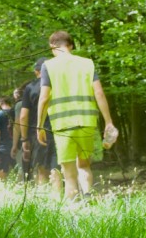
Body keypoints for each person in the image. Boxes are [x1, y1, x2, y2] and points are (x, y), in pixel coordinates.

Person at [37, 30, 116, 200]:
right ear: (71, 45)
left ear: (52, 47)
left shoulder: (48, 66)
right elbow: (99, 93)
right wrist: (108, 122)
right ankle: (87, 195)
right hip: (87, 122)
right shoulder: (87, 63)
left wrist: (39, 125)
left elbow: (43, 98)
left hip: (62, 124)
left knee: (69, 171)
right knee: (84, 165)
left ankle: (73, 205)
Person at [19, 58, 61, 190]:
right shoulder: (58, 85)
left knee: (41, 168)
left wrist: (24, 138)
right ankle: (58, 198)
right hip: (60, 128)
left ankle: (43, 199)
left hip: (38, 132)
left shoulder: (30, 88)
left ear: (36, 71)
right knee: (57, 167)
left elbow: (23, 116)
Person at [0, 96, 14, 181]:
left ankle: (3, 192)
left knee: (2, 175)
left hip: (2, 149)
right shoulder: (16, 113)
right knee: (21, 173)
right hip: (17, 148)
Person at [11, 87, 27, 179]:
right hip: (36, 138)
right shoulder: (33, 103)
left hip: (23, 140)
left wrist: (14, 145)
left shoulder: (19, 105)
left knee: (22, 167)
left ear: (16, 95)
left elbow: (17, 124)